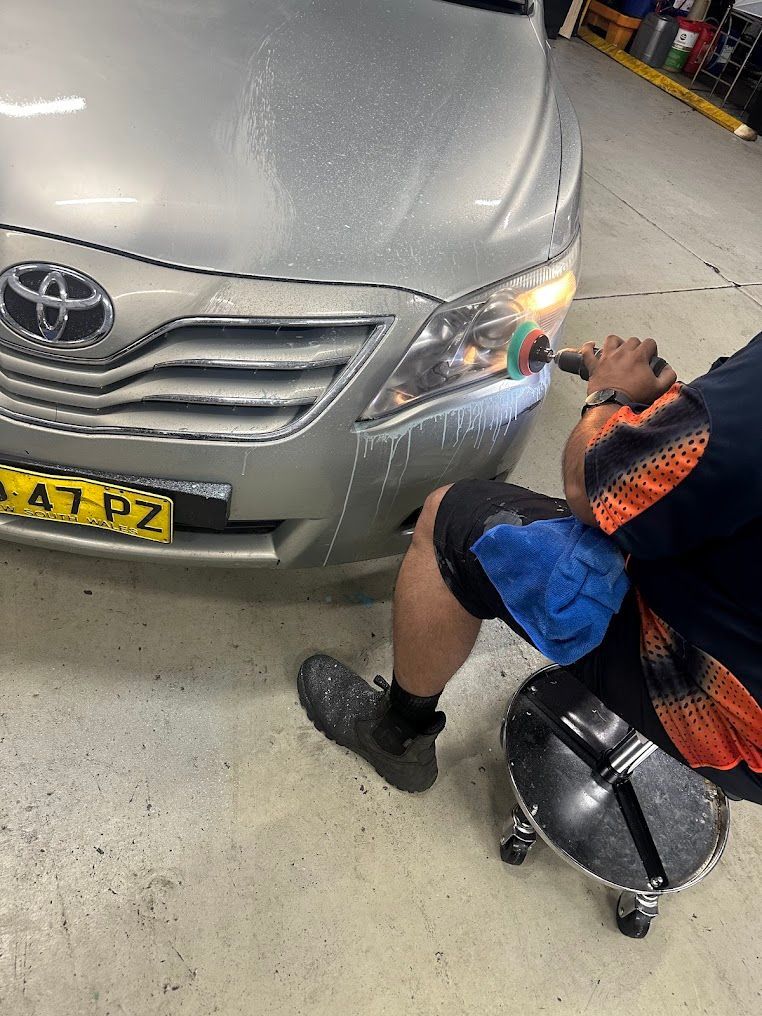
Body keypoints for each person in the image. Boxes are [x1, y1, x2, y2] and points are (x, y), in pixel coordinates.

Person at [298, 333, 762, 804]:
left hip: (722, 710)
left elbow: (590, 485)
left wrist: (609, 396)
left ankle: (396, 737)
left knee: (450, 521)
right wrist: (674, 423)